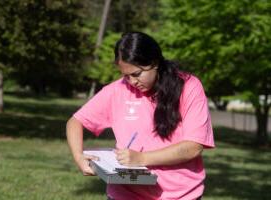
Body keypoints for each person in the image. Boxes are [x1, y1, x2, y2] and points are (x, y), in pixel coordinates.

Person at [66, 32, 215, 200]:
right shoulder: (117, 90)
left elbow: (193, 147)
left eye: (136, 74)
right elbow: (75, 122)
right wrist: (79, 157)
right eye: (125, 75)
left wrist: (142, 158)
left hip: (181, 195)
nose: (132, 82)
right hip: (125, 195)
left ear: (155, 62)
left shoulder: (189, 86)